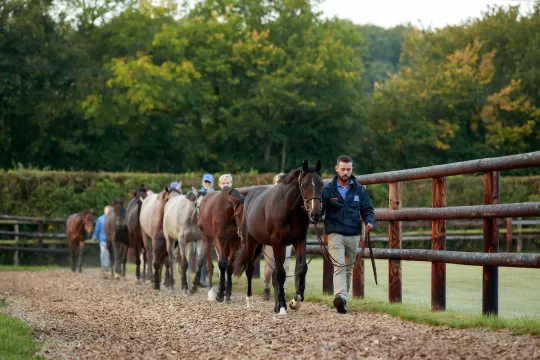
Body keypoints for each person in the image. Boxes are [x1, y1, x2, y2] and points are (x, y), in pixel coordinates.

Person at [322, 155, 375, 314]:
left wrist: (369, 221)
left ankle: (343, 300)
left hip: (353, 234)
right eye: (343, 169)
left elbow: (367, 209)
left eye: (348, 169)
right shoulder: (327, 190)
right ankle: (340, 296)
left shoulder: (360, 190)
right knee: (339, 265)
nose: (345, 172)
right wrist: (314, 215)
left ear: (352, 170)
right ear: (336, 168)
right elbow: (320, 209)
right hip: (334, 233)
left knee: (349, 268)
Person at [261, 172, 293, 301]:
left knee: (285, 265)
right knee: (269, 268)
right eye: (277, 184)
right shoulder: (267, 200)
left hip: (286, 238)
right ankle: (266, 286)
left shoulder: (291, 203)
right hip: (271, 238)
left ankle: (282, 291)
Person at [92, 205, 112, 273]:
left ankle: (107, 266)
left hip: (110, 239)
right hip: (102, 239)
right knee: (103, 252)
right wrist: (95, 236)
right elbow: (97, 228)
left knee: (108, 253)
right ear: (104, 210)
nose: (107, 211)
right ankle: (103, 266)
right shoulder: (100, 219)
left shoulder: (112, 219)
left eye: (108, 210)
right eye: (106, 210)